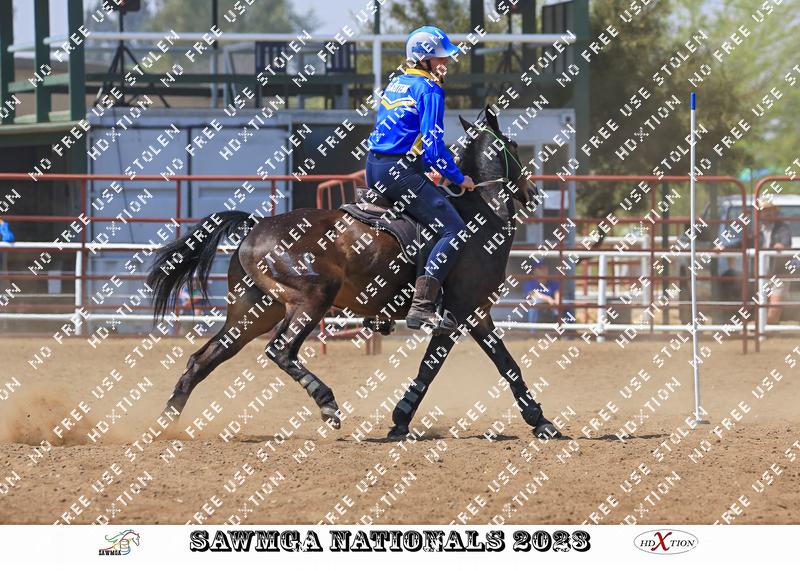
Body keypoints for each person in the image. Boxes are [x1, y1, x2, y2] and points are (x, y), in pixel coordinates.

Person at [365, 26, 475, 333]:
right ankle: (422, 307)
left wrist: (426, 165)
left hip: (374, 167)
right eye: (441, 58)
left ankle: (381, 304)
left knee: (414, 227)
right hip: (400, 171)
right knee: (453, 230)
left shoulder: (397, 82)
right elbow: (434, 145)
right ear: (424, 59)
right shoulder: (430, 90)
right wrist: (458, 177)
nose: (446, 63)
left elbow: (399, 134)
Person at [524, 261, 561, 325]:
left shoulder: (553, 283)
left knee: (565, 304)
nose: (544, 270)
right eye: (540, 268)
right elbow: (532, 294)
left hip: (551, 309)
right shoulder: (529, 283)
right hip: (536, 311)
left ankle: (564, 329)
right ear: (535, 271)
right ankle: (532, 330)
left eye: (545, 268)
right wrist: (548, 299)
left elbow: (557, 293)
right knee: (534, 303)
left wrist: (557, 301)